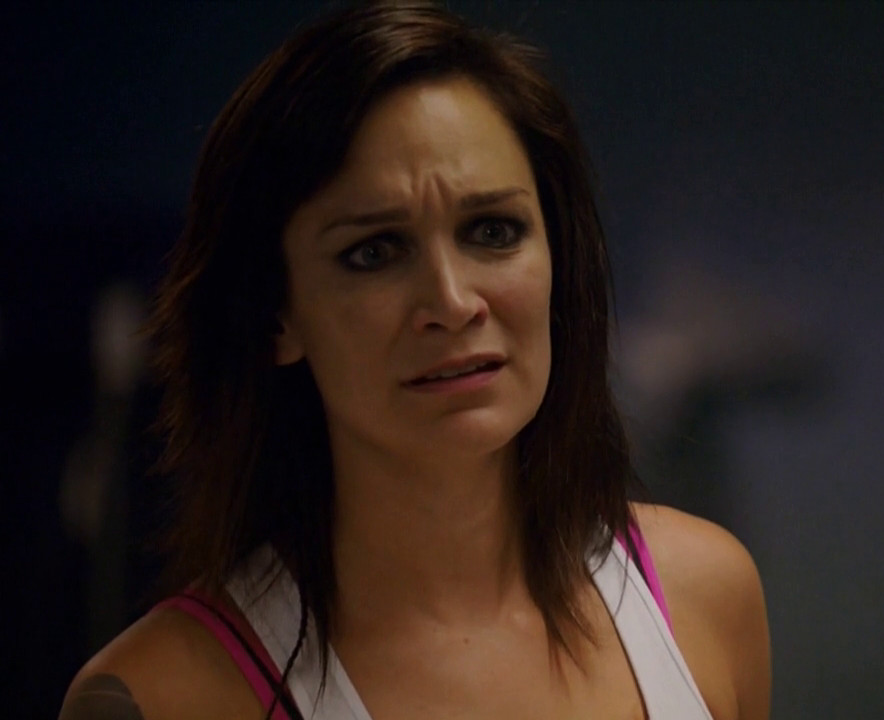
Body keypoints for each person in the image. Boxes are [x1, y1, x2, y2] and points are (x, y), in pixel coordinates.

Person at [57, 2, 771, 719]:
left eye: (493, 231)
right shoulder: (160, 695)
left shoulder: (705, 597)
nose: (453, 302)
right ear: (275, 313)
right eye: (374, 252)